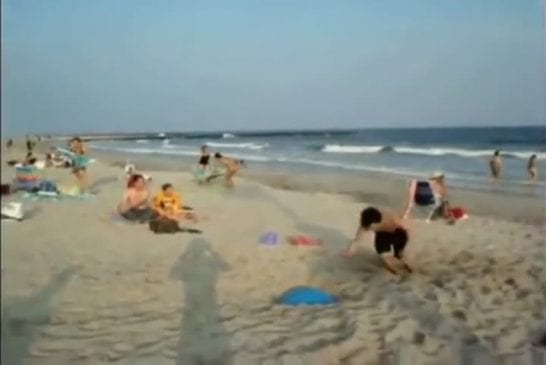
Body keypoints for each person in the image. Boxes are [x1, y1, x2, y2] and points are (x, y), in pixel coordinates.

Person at [343, 207, 412, 275]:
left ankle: (407, 268)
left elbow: (406, 229)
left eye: (371, 226)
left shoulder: (392, 219)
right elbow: (357, 239)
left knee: (399, 256)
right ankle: (396, 272)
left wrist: (404, 245)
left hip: (398, 233)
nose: (369, 229)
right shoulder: (366, 223)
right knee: (386, 258)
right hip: (382, 236)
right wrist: (349, 252)